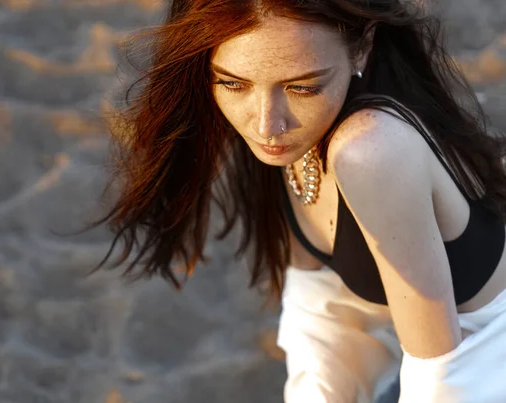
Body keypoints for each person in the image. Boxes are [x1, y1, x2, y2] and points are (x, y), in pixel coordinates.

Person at [98, 0, 506, 401]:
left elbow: (442, 373)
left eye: (303, 87)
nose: (266, 125)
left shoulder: (372, 150)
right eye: (232, 83)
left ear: (362, 46)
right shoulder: (292, 131)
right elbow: (322, 304)